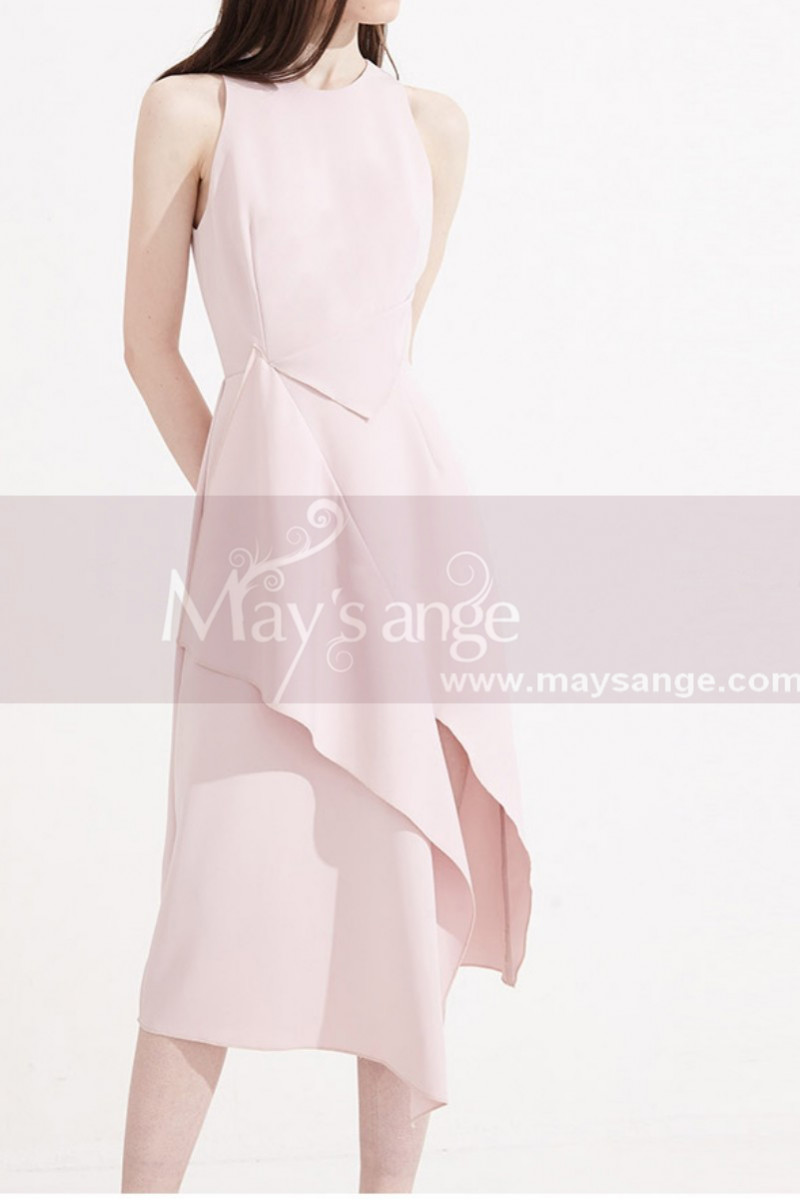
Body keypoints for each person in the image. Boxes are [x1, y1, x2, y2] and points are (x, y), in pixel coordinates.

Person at [121, 0, 533, 1191]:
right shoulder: (191, 110)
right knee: (212, 902)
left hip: (408, 539)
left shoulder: (432, 125)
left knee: (405, 888)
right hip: (267, 557)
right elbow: (148, 347)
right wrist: (246, 510)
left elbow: (382, 356)